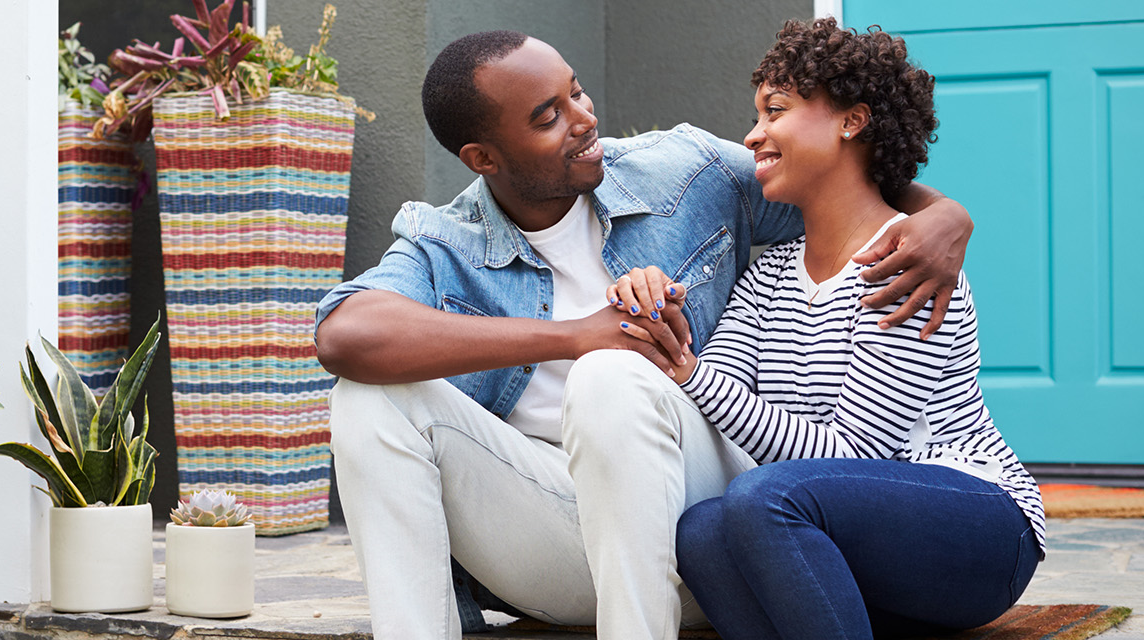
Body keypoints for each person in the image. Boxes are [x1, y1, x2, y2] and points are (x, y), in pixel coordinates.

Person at [313, 30, 978, 640]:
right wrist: (574, 337)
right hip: (556, 538)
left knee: (615, 375)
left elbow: (834, 171)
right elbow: (346, 335)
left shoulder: (683, 173)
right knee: (368, 397)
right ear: (483, 157)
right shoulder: (444, 241)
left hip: (708, 525)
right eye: (548, 116)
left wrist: (945, 215)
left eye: (576, 92)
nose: (584, 119)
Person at [606, 18, 1047, 640]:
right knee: (701, 532)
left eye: (776, 111)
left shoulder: (905, 265)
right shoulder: (769, 278)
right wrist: (671, 339)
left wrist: (693, 376)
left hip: (979, 529)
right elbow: (722, 398)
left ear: (852, 121)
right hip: (852, 538)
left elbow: (852, 456)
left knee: (764, 499)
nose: (754, 134)